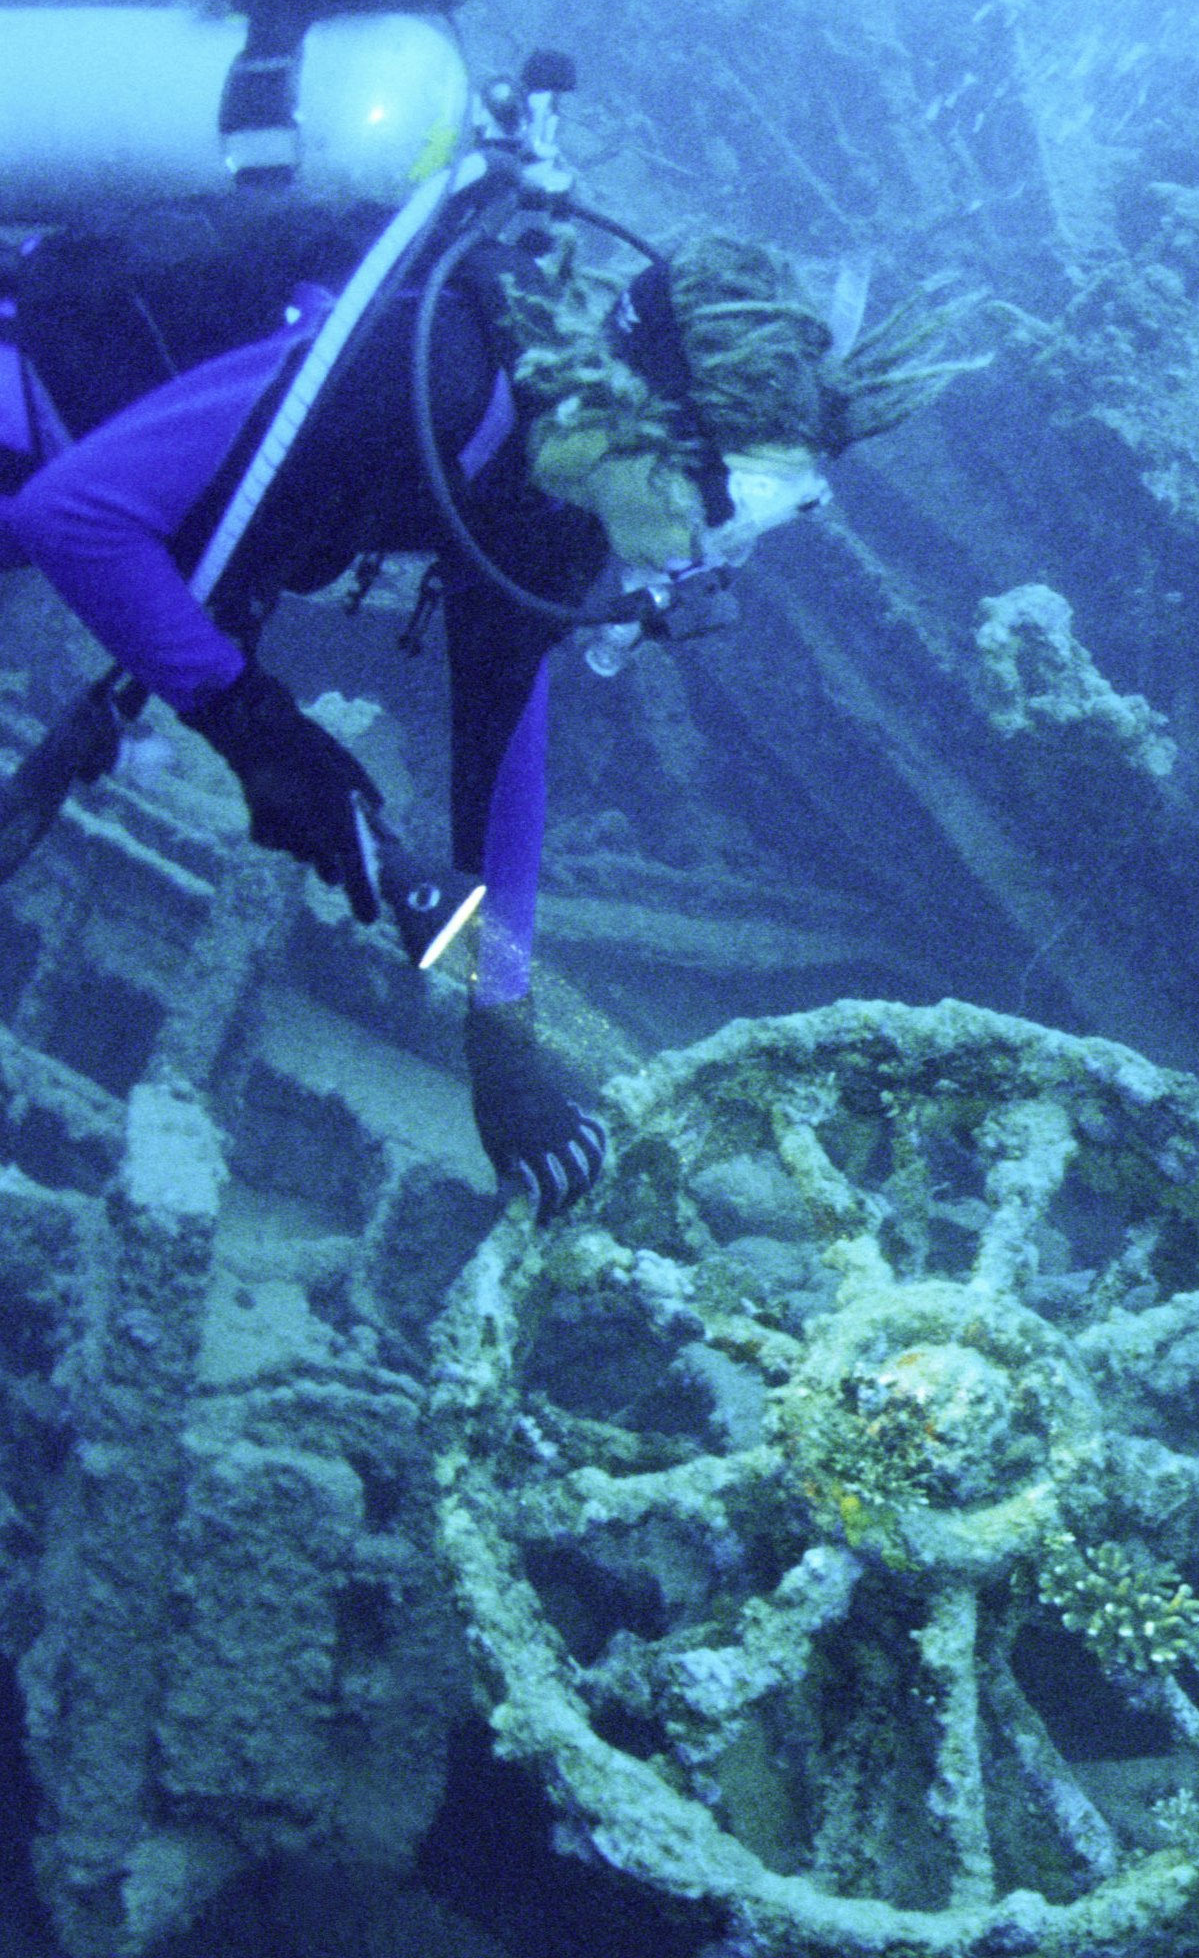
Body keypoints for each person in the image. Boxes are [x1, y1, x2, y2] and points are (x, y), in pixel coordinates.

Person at [0, 176, 952, 1219]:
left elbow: (501, 764)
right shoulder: (438, 375)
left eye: (778, 514)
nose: (715, 549)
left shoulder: (557, 498)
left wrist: (500, 1027)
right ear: (651, 424)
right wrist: (254, 733)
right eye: (736, 502)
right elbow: (76, 518)